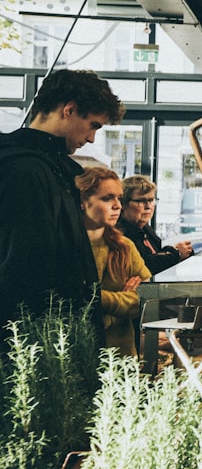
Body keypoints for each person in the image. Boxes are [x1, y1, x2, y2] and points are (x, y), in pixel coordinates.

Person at [0, 69, 125, 339]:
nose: (91, 138)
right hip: (40, 343)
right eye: (93, 125)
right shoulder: (26, 170)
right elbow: (25, 269)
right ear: (69, 109)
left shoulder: (47, 167)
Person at [77, 167, 151, 357]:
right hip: (78, 355)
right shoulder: (66, 247)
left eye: (119, 198)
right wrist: (122, 300)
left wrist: (99, 298)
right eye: (107, 198)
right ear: (83, 201)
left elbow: (145, 299)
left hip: (120, 356)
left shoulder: (124, 246)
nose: (117, 205)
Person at [118, 175, 194, 276]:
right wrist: (176, 254)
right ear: (123, 204)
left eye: (151, 200)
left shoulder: (145, 228)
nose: (148, 206)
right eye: (141, 201)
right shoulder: (119, 232)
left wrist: (177, 251)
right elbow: (143, 264)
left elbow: (156, 254)